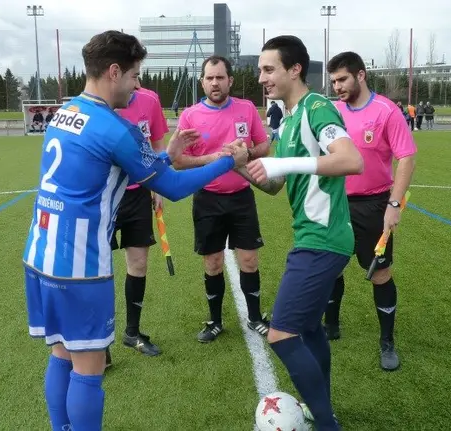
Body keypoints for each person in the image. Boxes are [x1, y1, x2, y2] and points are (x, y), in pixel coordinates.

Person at [22, 30, 249, 431]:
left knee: (60, 354)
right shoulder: (116, 127)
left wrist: (166, 155)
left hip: (39, 253)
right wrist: (229, 161)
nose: (137, 85)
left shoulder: (65, 112)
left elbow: (120, 163)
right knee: (88, 368)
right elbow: (174, 188)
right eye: (134, 76)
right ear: (114, 72)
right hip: (79, 265)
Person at [232, 35, 364, 431]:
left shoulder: (316, 107)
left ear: (295, 70)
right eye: (260, 70)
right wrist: (242, 164)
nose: (261, 78)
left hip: (322, 240)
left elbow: (351, 159)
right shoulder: (288, 120)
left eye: (268, 69)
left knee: (281, 334)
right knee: (307, 330)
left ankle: (326, 424)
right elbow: (274, 184)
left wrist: (284, 161)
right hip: (315, 238)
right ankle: (323, 407)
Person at [325, 51, 417, 371]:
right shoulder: (332, 111)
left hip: (373, 205)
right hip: (336, 204)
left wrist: (394, 204)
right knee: (332, 267)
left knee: (380, 274)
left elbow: (406, 158)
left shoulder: (386, 111)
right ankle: (331, 325)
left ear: (360, 75)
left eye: (342, 79)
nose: (337, 86)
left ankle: (387, 342)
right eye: (333, 80)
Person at [173, 55, 272, 342]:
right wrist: (212, 159)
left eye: (220, 77)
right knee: (213, 263)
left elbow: (264, 145)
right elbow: (178, 161)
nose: (215, 82)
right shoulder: (190, 116)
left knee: (250, 260)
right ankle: (215, 321)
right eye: (209, 78)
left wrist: (247, 154)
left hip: (242, 197)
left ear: (229, 80)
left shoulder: (246, 109)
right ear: (202, 82)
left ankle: (255, 317)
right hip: (208, 199)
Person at [108, 86, 169, 360]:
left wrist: (158, 187)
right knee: (98, 270)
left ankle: (132, 332)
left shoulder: (149, 100)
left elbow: (157, 145)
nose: (135, 80)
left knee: (139, 264)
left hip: (138, 194)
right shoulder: (101, 100)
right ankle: (98, 343)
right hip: (105, 197)